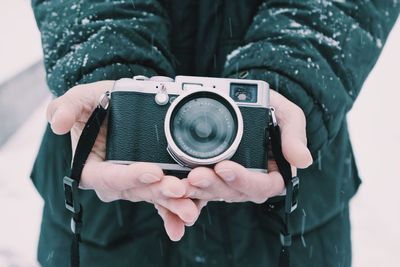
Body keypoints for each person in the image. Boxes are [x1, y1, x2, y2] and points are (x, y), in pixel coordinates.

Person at [30, 1, 399, 266]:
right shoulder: (118, 118)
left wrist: (288, 81)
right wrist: (117, 85)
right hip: (113, 196)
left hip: (286, 200)